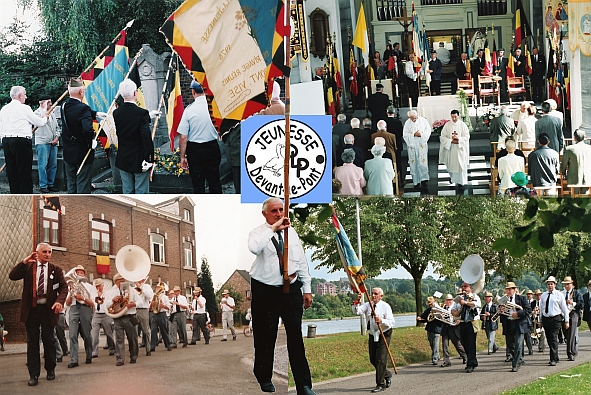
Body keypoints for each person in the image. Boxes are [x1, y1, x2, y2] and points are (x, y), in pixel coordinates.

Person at [248, 197, 315, 395]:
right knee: (265, 336)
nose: (279, 214)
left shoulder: (292, 233)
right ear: (265, 214)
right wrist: (274, 228)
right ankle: (264, 377)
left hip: (291, 289)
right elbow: (254, 248)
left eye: (281, 210)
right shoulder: (258, 233)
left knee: (295, 338)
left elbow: (301, 261)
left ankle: (303, 385)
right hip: (265, 289)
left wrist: (307, 288)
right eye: (274, 211)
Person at [8, 243, 67, 386]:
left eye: (49, 252)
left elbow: (64, 287)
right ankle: (33, 374)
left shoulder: (56, 270)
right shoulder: (29, 268)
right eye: (44, 252)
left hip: (48, 310)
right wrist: (24, 262)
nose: (47, 254)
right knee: (33, 343)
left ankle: (50, 369)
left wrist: (59, 301)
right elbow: (12, 276)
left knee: (49, 340)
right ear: (37, 253)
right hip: (32, 310)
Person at [0, 86, 48, 193]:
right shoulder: (24, 108)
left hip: (6, 141)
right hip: (21, 142)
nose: (26, 97)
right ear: (20, 95)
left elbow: (1, 127)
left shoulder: (4, 109)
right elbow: (39, 122)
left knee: (12, 172)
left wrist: (4, 139)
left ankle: (15, 196)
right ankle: (26, 198)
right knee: (24, 172)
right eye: (25, 95)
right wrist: (45, 117)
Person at [62, 78, 106, 193]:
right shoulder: (83, 108)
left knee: (71, 183)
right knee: (83, 183)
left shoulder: (64, 106)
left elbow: (76, 112)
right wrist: (90, 142)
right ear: (81, 92)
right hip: (82, 151)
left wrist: (95, 114)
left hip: (68, 151)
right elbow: (87, 129)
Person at [178, 80, 222, 194]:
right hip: (212, 146)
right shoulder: (215, 107)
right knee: (215, 182)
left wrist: (182, 157)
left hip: (195, 151)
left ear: (193, 92)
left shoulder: (189, 110)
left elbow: (183, 136)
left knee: (198, 184)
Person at [113, 79, 154, 194]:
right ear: (135, 93)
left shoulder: (116, 113)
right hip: (139, 158)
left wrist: (147, 117)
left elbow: (128, 124)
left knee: (127, 191)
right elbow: (146, 137)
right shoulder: (142, 113)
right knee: (141, 191)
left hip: (123, 157)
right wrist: (149, 158)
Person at [353, 288, 395, 393]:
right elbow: (356, 311)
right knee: (373, 359)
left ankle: (380, 384)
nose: (373, 295)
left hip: (384, 334)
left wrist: (382, 320)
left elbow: (391, 322)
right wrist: (357, 301)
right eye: (372, 293)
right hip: (372, 333)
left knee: (381, 359)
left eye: (376, 294)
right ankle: (386, 374)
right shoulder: (368, 305)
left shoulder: (385, 306)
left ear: (381, 296)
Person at [64, 264, 95, 368]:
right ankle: (74, 360)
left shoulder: (90, 287)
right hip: (73, 309)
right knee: (72, 335)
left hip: (85, 309)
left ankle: (89, 355)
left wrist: (83, 298)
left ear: (84, 274)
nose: (78, 274)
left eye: (80, 272)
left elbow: (92, 303)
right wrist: (71, 293)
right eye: (76, 272)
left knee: (87, 335)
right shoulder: (71, 286)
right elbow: (67, 303)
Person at [108, 273, 139, 366]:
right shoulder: (112, 293)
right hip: (118, 317)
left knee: (132, 338)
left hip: (129, 316)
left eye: (124, 281)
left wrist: (133, 304)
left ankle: (133, 356)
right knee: (119, 339)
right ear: (115, 283)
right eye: (120, 281)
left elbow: (140, 301)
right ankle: (120, 359)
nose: (123, 283)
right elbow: (106, 306)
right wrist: (112, 301)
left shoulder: (132, 290)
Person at [451, 282, 481, 373]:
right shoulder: (459, 298)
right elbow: (453, 308)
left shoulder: (475, 296)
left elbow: (477, 304)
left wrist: (465, 303)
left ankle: (470, 364)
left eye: (466, 286)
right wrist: (454, 313)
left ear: (470, 288)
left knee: (471, 343)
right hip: (463, 322)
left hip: (472, 322)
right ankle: (473, 360)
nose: (463, 288)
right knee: (464, 343)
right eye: (462, 286)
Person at [540, 276, 570, 366]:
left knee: (553, 337)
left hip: (556, 318)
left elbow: (564, 308)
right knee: (549, 339)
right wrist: (540, 320)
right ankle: (555, 357)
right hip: (546, 318)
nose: (550, 286)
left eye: (551, 284)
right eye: (548, 284)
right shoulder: (544, 295)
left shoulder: (559, 295)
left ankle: (552, 359)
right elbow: (542, 308)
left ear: (555, 285)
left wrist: (567, 321)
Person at [439, 109, 470, 195]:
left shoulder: (462, 125)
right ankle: (453, 179)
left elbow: (467, 136)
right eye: (452, 117)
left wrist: (459, 140)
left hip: (460, 149)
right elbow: (443, 137)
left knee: (461, 164)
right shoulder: (447, 125)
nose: (454, 119)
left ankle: (461, 182)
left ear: (458, 116)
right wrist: (450, 141)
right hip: (451, 148)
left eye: (455, 117)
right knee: (452, 164)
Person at [502, 282, 531, 372]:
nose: (508, 291)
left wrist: (518, 313)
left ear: (514, 290)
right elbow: (502, 313)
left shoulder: (521, 298)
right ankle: (519, 358)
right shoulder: (504, 300)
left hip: (519, 323)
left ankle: (515, 364)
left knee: (518, 344)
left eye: (510, 289)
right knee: (510, 344)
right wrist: (500, 310)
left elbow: (528, 310)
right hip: (509, 323)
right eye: (507, 289)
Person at [34, 95, 60, 193]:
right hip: (42, 142)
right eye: (48, 102)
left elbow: (57, 128)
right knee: (43, 165)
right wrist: (44, 113)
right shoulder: (36, 114)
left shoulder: (52, 114)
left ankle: (50, 184)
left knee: (53, 164)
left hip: (53, 143)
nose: (51, 104)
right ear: (42, 103)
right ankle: (43, 185)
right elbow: (39, 123)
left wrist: (57, 137)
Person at [403, 110, 431, 190]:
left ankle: (424, 180)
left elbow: (428, 131)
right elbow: (405, 135)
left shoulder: (423, 121)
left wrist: (421, 135)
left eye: (415, 118)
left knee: (422, 163)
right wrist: (413, 135)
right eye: (412, 118)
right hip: (412, 146)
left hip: (421, 145)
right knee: (413, 163)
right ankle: (416, 181)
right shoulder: (407, 123)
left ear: (417, 116)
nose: (414, 120)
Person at [90, 278, 115, 358]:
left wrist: (104, 299)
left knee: (109, 334)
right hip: (96, 314)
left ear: (102, 285)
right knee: (94, 334)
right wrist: (98, 296)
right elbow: (92, 303)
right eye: (97, 286)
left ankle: (112, 349)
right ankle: (94, 351)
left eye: (100, 286)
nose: (98, 288)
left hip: (105, 314)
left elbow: (110, 303)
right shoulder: (93, 294)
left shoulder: (107, 293)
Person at [439, 294, 467, 367]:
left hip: (453, 327)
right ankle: (446, 361)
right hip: (446, 327)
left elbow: (461, 314)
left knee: (457, 344)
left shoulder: (455, 306)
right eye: (447, 300)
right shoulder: (443, 307)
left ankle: (465, 356)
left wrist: (459, 320)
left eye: (450, 300)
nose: (448, 301)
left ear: (452, 300)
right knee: (445, 345)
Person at [561, 129, 591, 194]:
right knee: (585, 199)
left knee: (573, 198)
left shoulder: (569, 149)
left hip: (573, 179)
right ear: (584, 138)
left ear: (574, 138)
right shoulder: (589, 148)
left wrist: (563, 173)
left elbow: (564, 164)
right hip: (588, 178)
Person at [416, 296, 443, 365]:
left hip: (437, 329)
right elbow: (424, 318)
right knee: (432, 344)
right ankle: (437, 356)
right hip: (430, 328)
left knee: (435, 344)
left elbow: (442, 319)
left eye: (431, 304)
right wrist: (419, 319)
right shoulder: (428, 310)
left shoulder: (439, 309)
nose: (430, 305)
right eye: (429, 304)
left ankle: (435, 359)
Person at [561, 276, 583, 361]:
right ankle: (573, 349)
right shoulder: (561, 293)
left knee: (571, 331)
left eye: (568, 284)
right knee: (567, 334)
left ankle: (570, 352)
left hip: (573, 313)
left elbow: (581, 305)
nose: (567, 286)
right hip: (563, 313)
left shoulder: (576, 293)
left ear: (571, 284)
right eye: (565, 284)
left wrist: (573, 303)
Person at [134, 277, 154, 356]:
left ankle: (148, 349)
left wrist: (142, 288)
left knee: (146, 331)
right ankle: (135, 351)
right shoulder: (133, 287)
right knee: (134, 332)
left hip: (144, 310)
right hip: (134, 310)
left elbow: (149, 297)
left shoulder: (147, 286)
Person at [149, 283, 172, 352]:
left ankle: (168, 345)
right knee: (153, 330)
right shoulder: (153, 296)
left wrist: (163, 306)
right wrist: (151, 304)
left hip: (162, 314)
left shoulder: (165, 297)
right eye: (156, 287)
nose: (157, 289)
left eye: (158, 287)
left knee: (164, 330)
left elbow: (169, 307)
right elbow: (149, 308)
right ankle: (152, 346)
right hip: (154, 314)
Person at [385, 107, 404, 184]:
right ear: (395, 113)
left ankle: (389, 180)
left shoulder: (384, 122)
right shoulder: (398, 122)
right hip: (397, 145)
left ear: (386, 113)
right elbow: (401, 134)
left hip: (387, 146)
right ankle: (400, 181)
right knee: (398, 162)